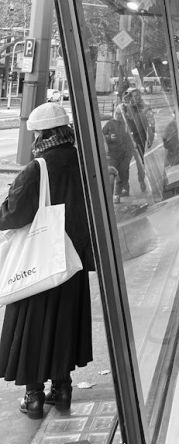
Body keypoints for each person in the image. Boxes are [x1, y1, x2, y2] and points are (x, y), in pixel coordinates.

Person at [0, 102, 95, 418]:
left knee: (33, 330)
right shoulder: (84, 161)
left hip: (41, 263)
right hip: (73, 261)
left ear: (42, 134)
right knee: (64, 326)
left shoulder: (38, 168)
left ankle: (34, 397)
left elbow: (15, 214)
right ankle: (62, 389)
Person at [122, 88, 155, 193]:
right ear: (130, 97)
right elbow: (133, 119)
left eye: (137, 95)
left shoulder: (143, 106)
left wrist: (150, 137)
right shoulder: (127, 107)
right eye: (134, 96)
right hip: (130, 138)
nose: (136, 97)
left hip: (141, 137)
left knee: (141, 161)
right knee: (126, 162)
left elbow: (150, 123)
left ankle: (142, 180)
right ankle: (125, 186)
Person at [102, 103, 134, 201]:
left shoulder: (125, 124)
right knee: (114, 174)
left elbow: (130, 139)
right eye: (117, 113)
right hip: (112, 154)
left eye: (120, 114)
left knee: (124, 172)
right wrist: (109, 138)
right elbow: (101, 136)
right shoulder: (109, 123)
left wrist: (129, 152)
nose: (118, 116)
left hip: (123, 154)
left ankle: (123, 191)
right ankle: (115, 195)